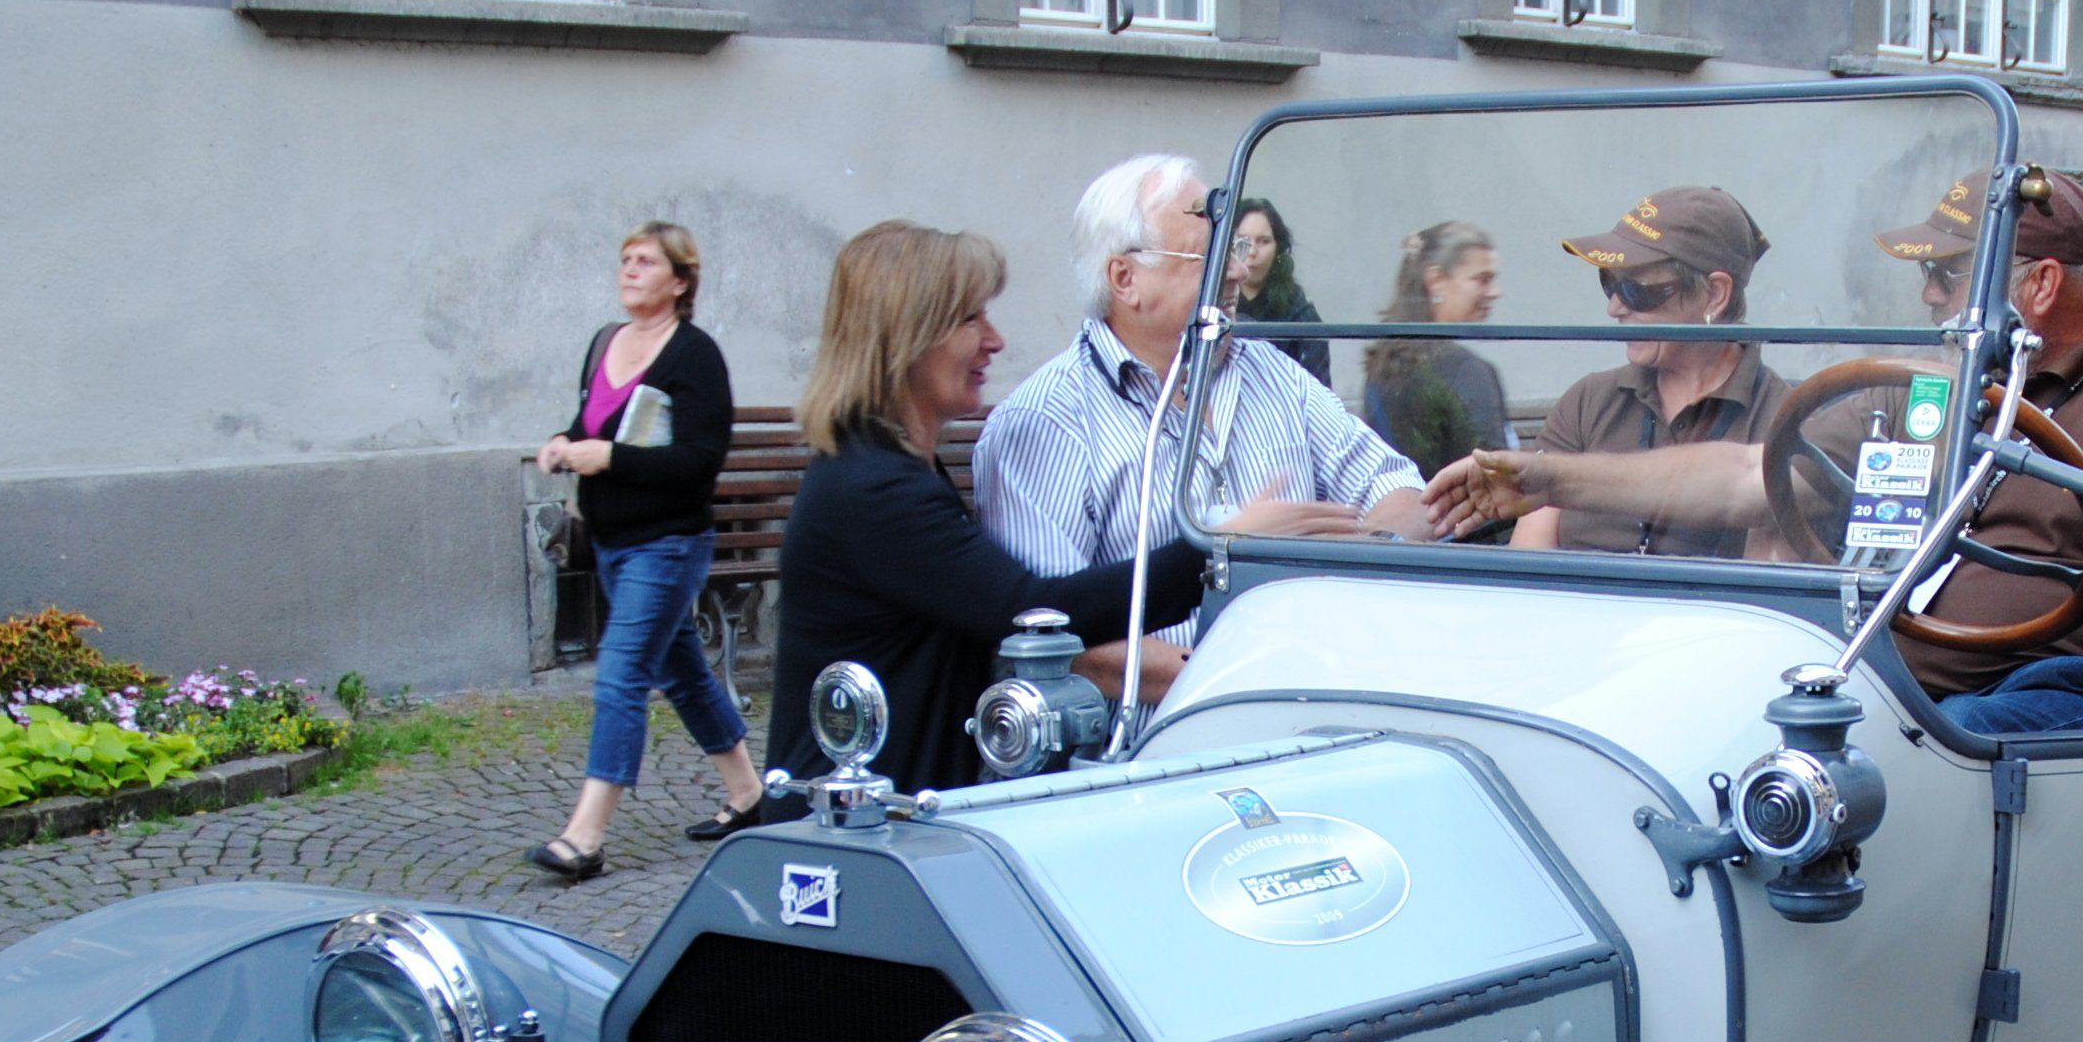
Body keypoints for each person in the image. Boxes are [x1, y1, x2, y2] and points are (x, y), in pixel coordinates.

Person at [1429, 167, 2083, 731]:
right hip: (1879, 669)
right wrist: (1545, 477)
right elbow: (1750, 478)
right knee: (1704, 719)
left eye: (1947, 274)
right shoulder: (1924, 385)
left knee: (1948, 742)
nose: (1928, 296)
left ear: (2038, 285)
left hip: (2049, 685)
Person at [766, 223, 1206, 798]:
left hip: (893, 808)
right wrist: (1211, 549)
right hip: (850, 828)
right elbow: (1026, 611)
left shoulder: (889, 465)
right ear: (908, 336)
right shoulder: (872, 488)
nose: (994, 341)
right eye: (971, 319)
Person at [976, 155, 1427, 617]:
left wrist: (1361, 559)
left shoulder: (1272, 372)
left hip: (1311, 656)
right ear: (1125, 279)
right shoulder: (1043, 421)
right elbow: (1051, 630)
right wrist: (1239, 566)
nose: (1237, 272)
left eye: (1235, 250)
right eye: (1207, 257)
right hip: (1177, 668)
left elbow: (1398, 487)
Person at [529, 223, 761, 881]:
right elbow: (591, 426)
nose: (629, 269)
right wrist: (563, 443)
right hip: (611, 541)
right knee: (682, 671)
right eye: (625, 259)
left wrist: (610, 458)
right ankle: (749, 795)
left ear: (681, 281)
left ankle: (585, 838)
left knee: (623, 673)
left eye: (647, 262)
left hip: (668, 543)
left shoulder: (695, 355)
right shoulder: (606, 342)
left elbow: (699, 460)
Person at [1513, 187, 1790, 557]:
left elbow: (1768, 578)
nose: (1614, 308)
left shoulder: (1783, 419)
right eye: (1609, 283)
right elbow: (1528, 560)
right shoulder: (1588, 401)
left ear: (1714, 295)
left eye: (1636, 291)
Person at [1361, 221, 1511, 478]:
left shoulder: (1384, 362)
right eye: (1482, 279)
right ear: (1436, 280)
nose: (1496, 292)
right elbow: (1494, 474)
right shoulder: (1465, 370)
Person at [1223, 198, 1333, 384]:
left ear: (1278, 248)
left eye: (1264, 241)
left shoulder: (1301, 316)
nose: (1252, 251)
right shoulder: (1214, 305)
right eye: (1243, 240)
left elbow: (1318, 392)